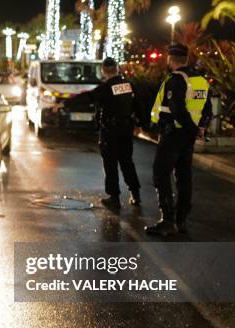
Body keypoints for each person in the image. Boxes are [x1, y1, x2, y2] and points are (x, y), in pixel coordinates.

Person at [146, 43, 212, 236]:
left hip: (174, 134)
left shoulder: (176, 80)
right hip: (187, 138)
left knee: (161, 173)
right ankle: (181, 220)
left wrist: (192, 130)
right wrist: (200, 128)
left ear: (170, 59)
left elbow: (178, 110)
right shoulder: (200, 79)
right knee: (184, 177)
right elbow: (207, 107)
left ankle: (167, 220)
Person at [60, 57, 143, 209]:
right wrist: (141, 124)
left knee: (110, 163)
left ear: (103, 71)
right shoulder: (129, 85)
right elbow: (138, 105)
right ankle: (135, 194)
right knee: (127, 162)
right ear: (117, 69)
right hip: (126, 129)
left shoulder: (106, 87)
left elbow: (88, 97)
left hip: (110, 130)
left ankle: (114, 198)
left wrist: (65, 103)